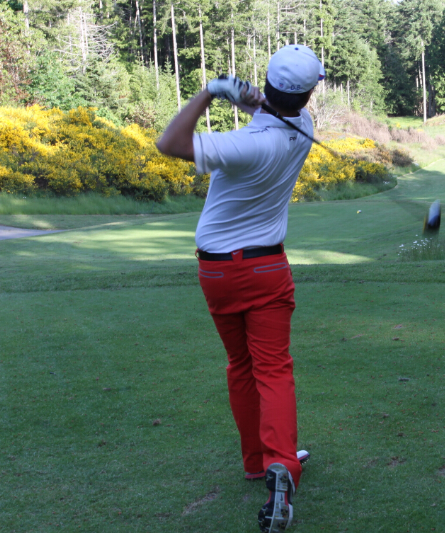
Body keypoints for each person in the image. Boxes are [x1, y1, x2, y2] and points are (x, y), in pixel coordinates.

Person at [156, 44, 325, 533]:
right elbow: (275, 110)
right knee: (273, 369)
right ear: (307, 95)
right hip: (267, 267)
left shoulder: (247, 144)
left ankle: (257, 461)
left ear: (267, 82)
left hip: (216, 273)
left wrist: (211, 91)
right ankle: (280, 465)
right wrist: (248, 100)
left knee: (241, 366)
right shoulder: (302, 125)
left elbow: (169, 143)